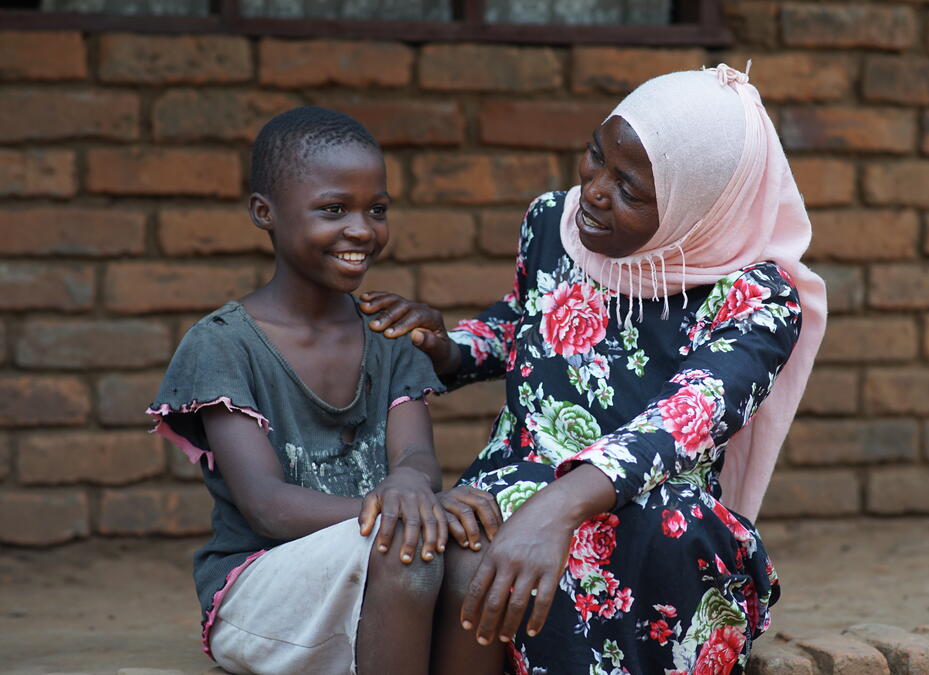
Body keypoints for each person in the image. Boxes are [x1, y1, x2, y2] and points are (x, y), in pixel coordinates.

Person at [359, 65, 828, 674]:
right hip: (515, 481)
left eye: (629, 189)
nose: (596, 190)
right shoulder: (553, 225)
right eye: (594, 155)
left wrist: (555, 510)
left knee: (632, 536)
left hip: (651, 516)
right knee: (465, 541)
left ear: (700, 208)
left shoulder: (756, 299)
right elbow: (525, 323)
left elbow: (684, 419)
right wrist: (445, 347)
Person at [146, 106, 500, 675]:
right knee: (410, 549)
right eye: (333, 209)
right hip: (259, 591)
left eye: (377, 209)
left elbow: (415, 457)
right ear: (265, 213)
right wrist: (405, 510)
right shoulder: (224, 345)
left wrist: (412, 484)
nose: (361, 229)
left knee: (474, 549)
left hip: (375, 569)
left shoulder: (390, 334)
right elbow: (266, 506)